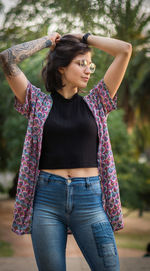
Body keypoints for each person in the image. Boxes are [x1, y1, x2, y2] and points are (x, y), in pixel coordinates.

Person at [0, 32, 132, 271]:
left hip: (90, 200)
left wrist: (85, 38)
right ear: (61, 67)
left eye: (89, 64)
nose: (88, 70)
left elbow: (125, 49)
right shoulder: (37, 102)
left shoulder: (97, 101)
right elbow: (7, 58)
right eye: (81, 63)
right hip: (47, 201)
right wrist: (48, 41)